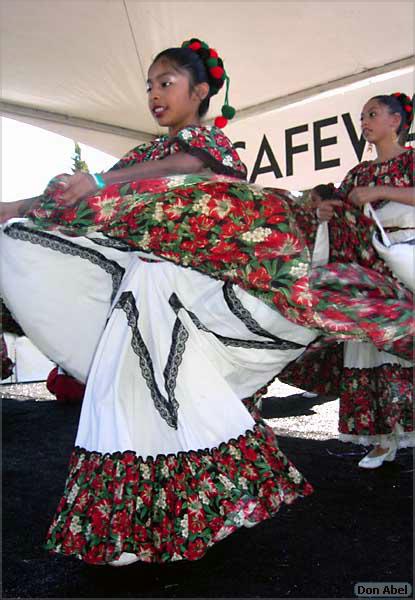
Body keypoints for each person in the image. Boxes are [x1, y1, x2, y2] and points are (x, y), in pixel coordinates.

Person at [0, 40, 413, 567]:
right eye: (149, 85)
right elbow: (80, 194)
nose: (154, 94)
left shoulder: (204, 145)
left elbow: (194, 161)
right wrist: (15, 206)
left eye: (165, 82)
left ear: (199, 92)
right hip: (150, 288)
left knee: (151, 391)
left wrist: (105, 181)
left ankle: (155, 524)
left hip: (183, 285)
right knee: (135, 392)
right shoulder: (148, 154)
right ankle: (150, 526)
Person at [279, 92, 414, 469]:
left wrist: (382, 191)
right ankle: (382, 437)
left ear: (396, 121)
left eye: (372, 114)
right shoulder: (357, 174)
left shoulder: (412, 160)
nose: (365, 121)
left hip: (408, 254)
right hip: (368, 262)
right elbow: (338, 209)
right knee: (367, 343)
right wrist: (323, 210)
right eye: (362, 116)